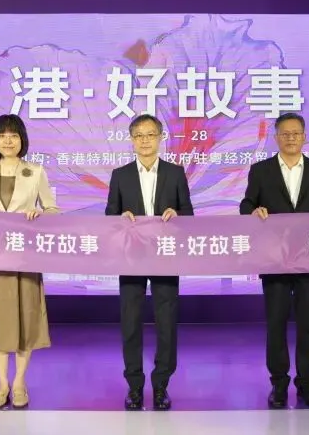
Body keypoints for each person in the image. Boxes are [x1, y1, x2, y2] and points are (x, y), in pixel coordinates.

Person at [239, 112, 309, 410]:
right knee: (276, 324)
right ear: (276, 137)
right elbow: (246, 203)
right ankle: (279, 384)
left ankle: (307, 384)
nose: (291, 138)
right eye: (285, 133)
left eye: (296, 133)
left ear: (305, 137)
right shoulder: (261, 171)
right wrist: (253, 211)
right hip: (275, 260)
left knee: (307, 324)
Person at [0, 114, 58, 410]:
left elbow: (52, 209)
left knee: (24, 321)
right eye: (2, 135)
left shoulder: (36, 171)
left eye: (13, 135)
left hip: (24, 257)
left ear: (22, 140)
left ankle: (19, 383)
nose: (8, 140)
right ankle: (2, 383)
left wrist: (41, 214)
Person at [105, 114, 194, 411]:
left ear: (160, 138)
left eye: (150, 134)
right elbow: (110, 217)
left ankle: (160, 386)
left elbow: (188, 214)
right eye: (139, 135)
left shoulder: (175, 173)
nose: (145, 140)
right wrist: (121, 218)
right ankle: (134, 386)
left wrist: (177, 216)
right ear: (131, 140)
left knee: (166, 323)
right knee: (130, 322)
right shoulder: (120, 175)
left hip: (165, 257)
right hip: (131, 258)